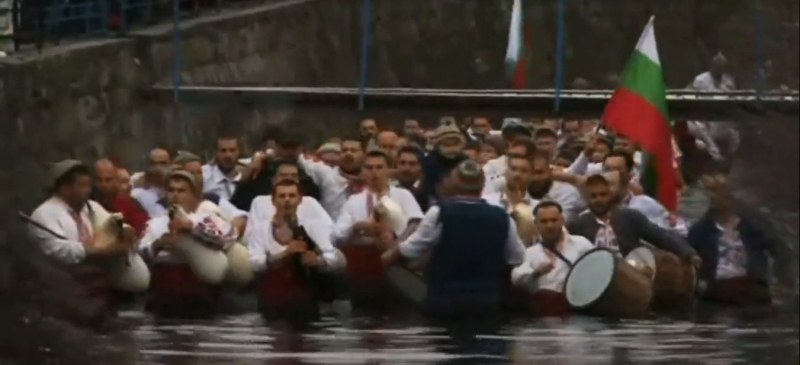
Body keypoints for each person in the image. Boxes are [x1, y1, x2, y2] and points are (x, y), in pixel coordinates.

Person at [380, 160, 526, 317]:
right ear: (483, 184)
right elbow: (517, 258)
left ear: (453, 183)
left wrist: (384, 259)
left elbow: (409, 249)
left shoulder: (439, 213)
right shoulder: (502, 217)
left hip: (445, 302)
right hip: (488, 303)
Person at [687, 166, 794, 305]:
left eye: (718, 192)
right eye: (711, 192)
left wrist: (780, 281)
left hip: (751, 287)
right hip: (717, 290)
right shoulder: (701, 229)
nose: (714, 197)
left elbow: (781, 250)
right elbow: (689, 255)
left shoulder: (753, 225)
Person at [139, 170, 238, 317]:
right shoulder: (155, 223)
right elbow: (141, 252)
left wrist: (192, 228)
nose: (175, 195)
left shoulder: (206, 219)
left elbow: (229, 236)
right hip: (164, 302)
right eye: (171, 190)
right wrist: (158, 244)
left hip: (201, 301)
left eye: (181, 191)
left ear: (194, 196)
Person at [246, 180, 344, 315]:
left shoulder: (314, 227)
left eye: (292, 196)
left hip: (305, 300)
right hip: (272, 300)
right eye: (282, 196)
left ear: (299, 200)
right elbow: (254, 263)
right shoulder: (260, 229)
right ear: (273, 200)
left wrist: (318, 261)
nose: (287, 200)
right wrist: (285, 254)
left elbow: (336, 258)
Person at [567, 174, 699, 262]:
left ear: (610, 195)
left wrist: (688, 253)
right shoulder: (579, 224)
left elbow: (661, 236)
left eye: (603, 195)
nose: (599, 200)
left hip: (630, 276)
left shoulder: (629, 216)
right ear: (586, 198)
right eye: (594, 196)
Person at [510, 201, 594, 315]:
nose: (550, 225)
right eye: (544, 221)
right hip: (545, 314)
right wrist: (535, 272)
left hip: (577, 312)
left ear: (562, 220)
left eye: (554, 220)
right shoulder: (531, 253)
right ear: (536, 223)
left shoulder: (581, 244)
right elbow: (516, 278)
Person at [93, 159, 149, 236]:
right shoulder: (87, 204)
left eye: (108, 180)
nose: (104, 184)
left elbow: (144, 231)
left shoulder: (130, 205)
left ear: (116, 180)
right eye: (99, 180)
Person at [420, 118, 468, 205]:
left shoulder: (465, 161)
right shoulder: (429, 161)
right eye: (447, 144)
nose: (451, 149)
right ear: (438, 145)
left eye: (454, 143)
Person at [202, 135, 246, 201]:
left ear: (239, 152)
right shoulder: (203, 175)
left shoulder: (247, 177)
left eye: (232, 150)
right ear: (216, 152)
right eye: (223, 151)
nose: (228, 155)